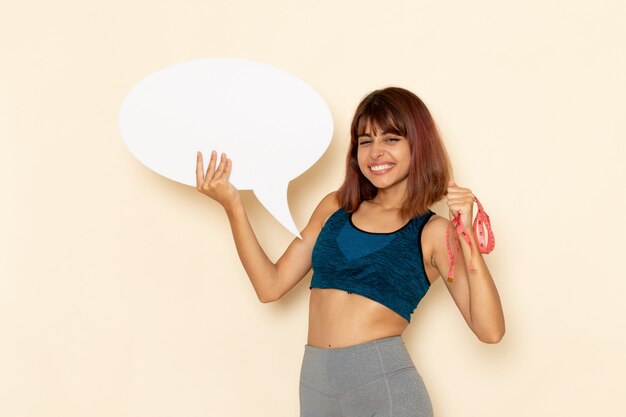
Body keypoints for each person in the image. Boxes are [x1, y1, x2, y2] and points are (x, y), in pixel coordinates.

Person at [195, 87, 505, 417]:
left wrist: (466, 232)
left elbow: (490, 330)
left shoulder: (433, 232)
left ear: (419, 144)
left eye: (391, 139)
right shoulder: (335, 208)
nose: (376, 152)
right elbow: (269, 287)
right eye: (365, 140)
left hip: (385, 392)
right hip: (315, 389)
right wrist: (233, 205)